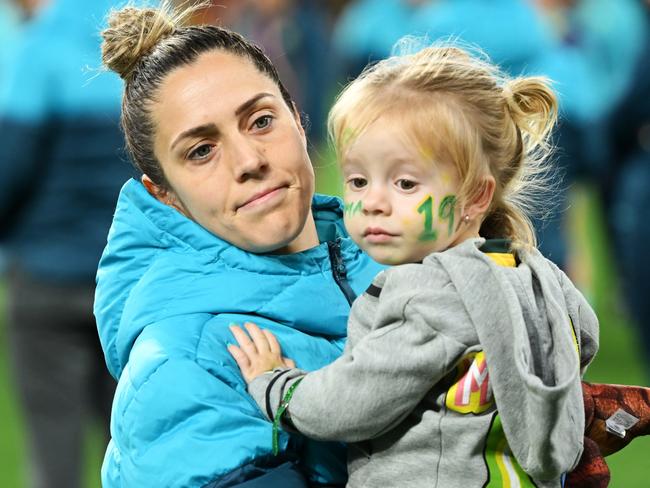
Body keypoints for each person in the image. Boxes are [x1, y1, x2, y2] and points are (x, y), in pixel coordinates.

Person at [227, 44, 601, 488]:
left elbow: (349, 405)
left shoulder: (430, 298)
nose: (373, 203)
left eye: (405, 183)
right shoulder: (537, 273)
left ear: (477, 197)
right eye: (358, 181)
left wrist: (276, 384)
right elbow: (585, 337)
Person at [95, 3, 382, 487]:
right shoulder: (182, 365)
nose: (249, 160)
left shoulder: (404, 257)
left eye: (260, 121)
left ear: (297, 115)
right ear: (165, 196)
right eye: (201, 151)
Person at [0, 0, 131, 486]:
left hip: (46, 277)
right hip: (126, 281)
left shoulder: (41, 48)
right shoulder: (136, 46)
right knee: (136, 447)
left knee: (54, 455)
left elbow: (9, 169)